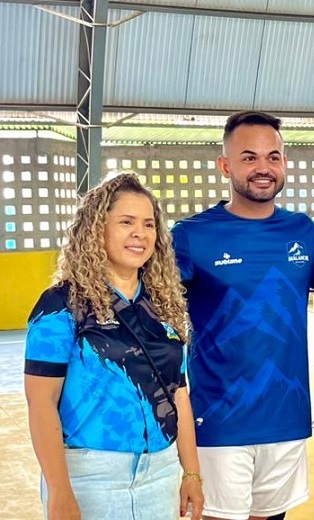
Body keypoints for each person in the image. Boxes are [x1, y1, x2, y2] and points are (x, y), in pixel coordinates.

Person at [172, 111, 314, 520]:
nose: (263, 167)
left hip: (286, 419)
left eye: (273, 157)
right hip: (218, 420)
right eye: (249, 158)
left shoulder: (304, 232)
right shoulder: (191, 235)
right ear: (225, 165)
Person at [24, 173, 204, 520]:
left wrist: (191, 472)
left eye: (149, 224)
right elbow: (41, 402)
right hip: (91, 477)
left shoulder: (163, 305)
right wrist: (59, 489)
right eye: (126, 222)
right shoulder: (61, 306)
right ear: (97, 230)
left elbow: (179, 394)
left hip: (161, 472)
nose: (140, 233)